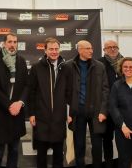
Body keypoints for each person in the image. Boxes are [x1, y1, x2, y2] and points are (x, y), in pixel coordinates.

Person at [0, 33, 29, 168]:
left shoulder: (21, 61)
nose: (12, 45)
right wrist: (10, 105)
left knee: (14, 150)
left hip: (17, 113)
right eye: (10, 42)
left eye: (15, 42)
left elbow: (27, 85)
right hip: (0, 112)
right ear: (4, 44)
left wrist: (19, 103)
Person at [28, 38, 71, 168]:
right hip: (41, 118)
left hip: (59, 118)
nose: (54, 52)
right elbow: (31, 92)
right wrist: (31, 113)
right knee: (41, 155)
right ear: (45, 50)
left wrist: (70, 113)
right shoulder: (36, 67)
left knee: (58, 154)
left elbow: (70, 93)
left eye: (56, 49)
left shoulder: (66, 67)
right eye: (51, 49)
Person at [66, 40, 109, 168]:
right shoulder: (68, 66)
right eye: (87, 48)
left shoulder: (100, 66)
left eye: (91, 48)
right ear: (79, 50)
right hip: (77, 111)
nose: (91, 51)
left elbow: (105, 90)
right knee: (79, 144)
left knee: (97, 145)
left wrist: (103, 111)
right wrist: (67, 112)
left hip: (96, 112)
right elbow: (64, 91)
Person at [97, 40, 123, 167]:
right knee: (107, 139)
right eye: (109, 47)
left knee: (123, 139)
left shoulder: (126, 62)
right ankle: (108, 164)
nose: (112, 49)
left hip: (123, 109)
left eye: (115, 47)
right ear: (104, 50)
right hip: (106, 108)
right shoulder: (98, 63)